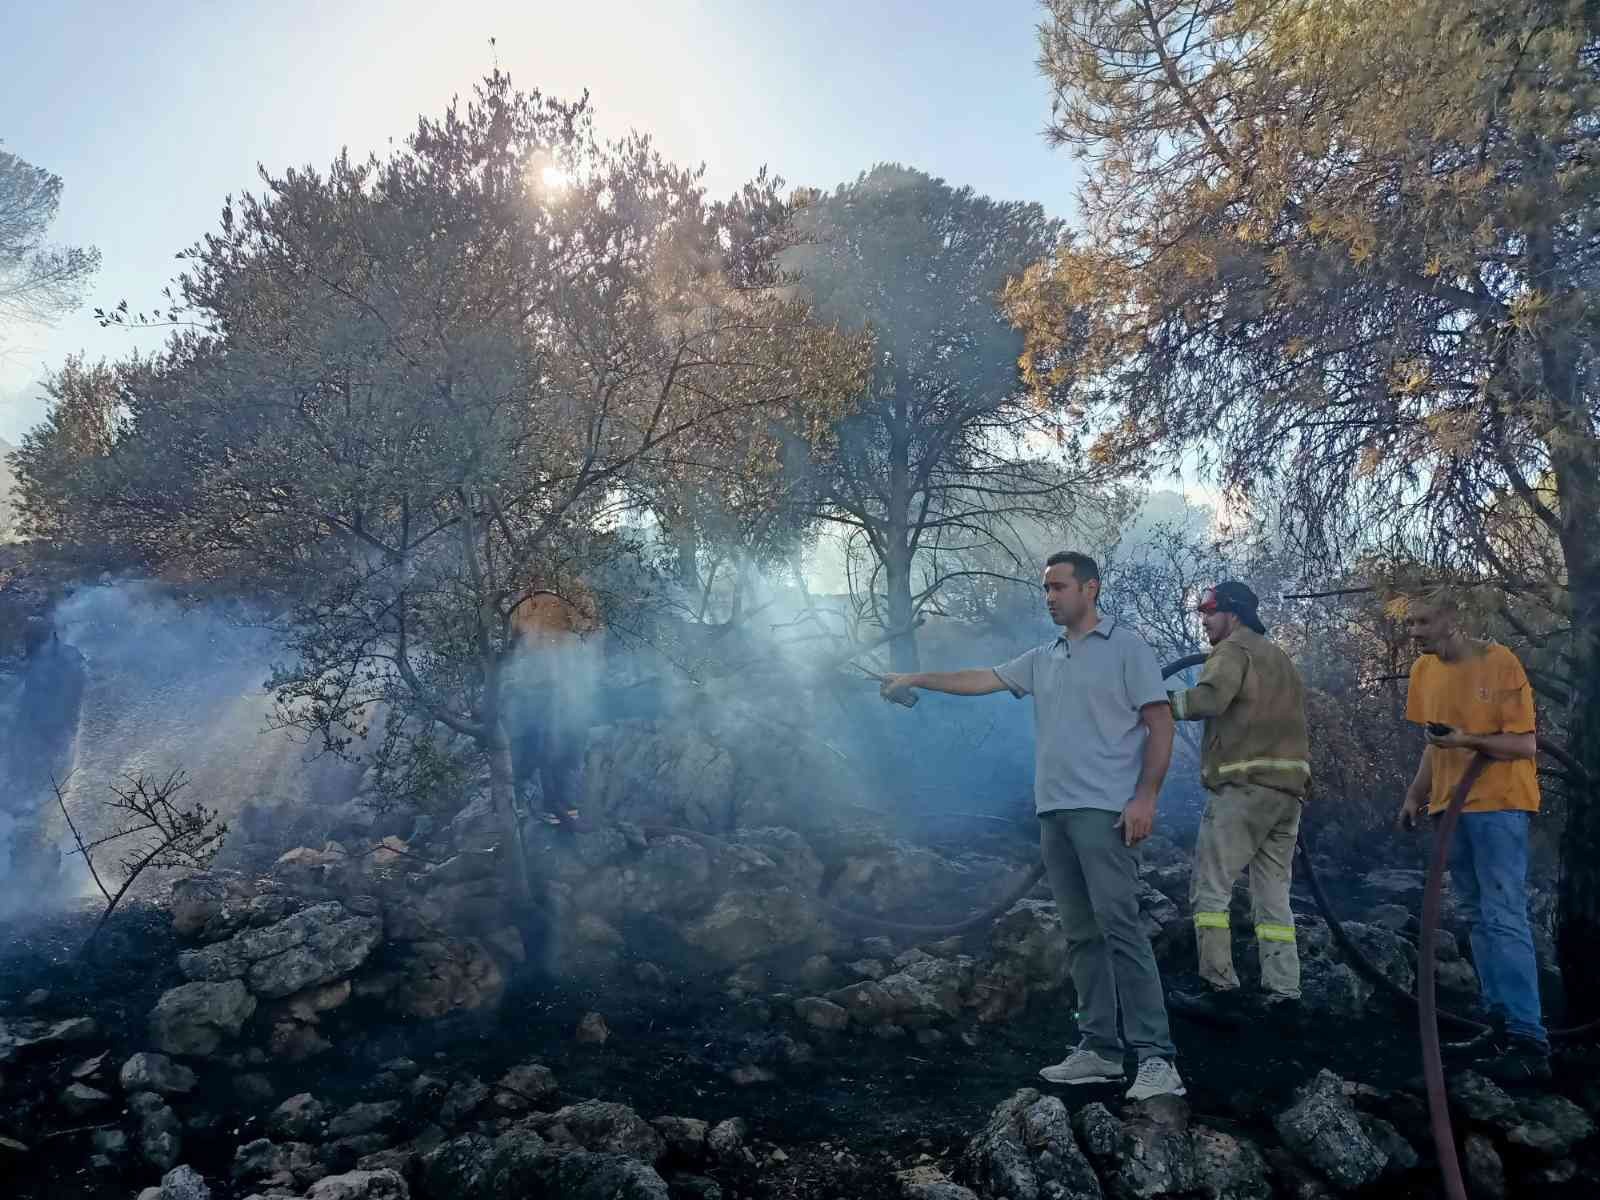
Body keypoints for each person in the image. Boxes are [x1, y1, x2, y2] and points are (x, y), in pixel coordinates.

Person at [879, 551, 1185, 1100]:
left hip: (1106, 811)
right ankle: (1099, 1051)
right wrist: (917, 676)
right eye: (1046, 588)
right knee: (1082, 935)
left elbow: (1159, 723)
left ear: (1090, 588)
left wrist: (1146, 798)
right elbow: (983, 678)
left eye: (1059, 587)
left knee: (1121, 929)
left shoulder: (1128, 647)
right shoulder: (1046, 657)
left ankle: (1157, 1059)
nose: (1049, 597)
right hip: (1054, 813)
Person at [1397, 591, 1549, 1084]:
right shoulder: (1423, 672)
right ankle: (1499, 1024)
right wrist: (1414, 795)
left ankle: (1529, 1038)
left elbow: (1524, 744)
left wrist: (1467, 740)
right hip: (1449, 809)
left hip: (1499, 805)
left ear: (1451, 619)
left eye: (1423, 622)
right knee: (1475, 917)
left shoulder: (1498, 661)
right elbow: (1433, 744)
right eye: (1411, 623)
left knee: (1503, 915)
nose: (1414, 632)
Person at [1164, 582, 1311, 1025]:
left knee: (1209, 888)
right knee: (1273, 897)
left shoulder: (1231, 650)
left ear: (1233, 613)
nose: (1204, 621)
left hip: (1243, 789)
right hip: (1287, 794)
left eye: (1209, 612)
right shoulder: (1278, 657)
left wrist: (1154, 704)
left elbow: (1210, 699)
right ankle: (1284, 991)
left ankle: (1219, 988)